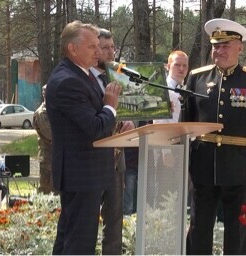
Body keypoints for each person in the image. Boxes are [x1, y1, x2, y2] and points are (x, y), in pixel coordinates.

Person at [183, 18, 246, 255]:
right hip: (203, 163)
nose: (219, 51)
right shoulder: (197, 78)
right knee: (199, 224)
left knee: (238, 228)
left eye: (225, 46)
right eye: (216, 46)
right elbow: (186, 123)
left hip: (239, 165)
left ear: (240, 47)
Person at [46, 20, 122, 254]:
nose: (99, 52)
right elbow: (94, 126)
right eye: (92, 47)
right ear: (72, 48)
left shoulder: (82, 74)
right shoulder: (68, 81)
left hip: (87, 174)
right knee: (79, 244)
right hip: (81, 176)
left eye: (99, 46)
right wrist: (110, 107)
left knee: (69, 241)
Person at [90, 28, 135, 254]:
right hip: (91, 161)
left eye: (112, 47)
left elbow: (128, 110)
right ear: (95, 49)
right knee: (86, 222)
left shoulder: (118, 76)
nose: (111, 53)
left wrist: (130, 124)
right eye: (105, 48)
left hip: (117, 160)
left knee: (115, 221)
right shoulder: (83, 78)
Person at [33, 84, 55, 194]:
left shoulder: (55, 111)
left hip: (57, 159)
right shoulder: (41, 113)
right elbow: (51, 135)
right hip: (48, 161)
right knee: (46, 195)